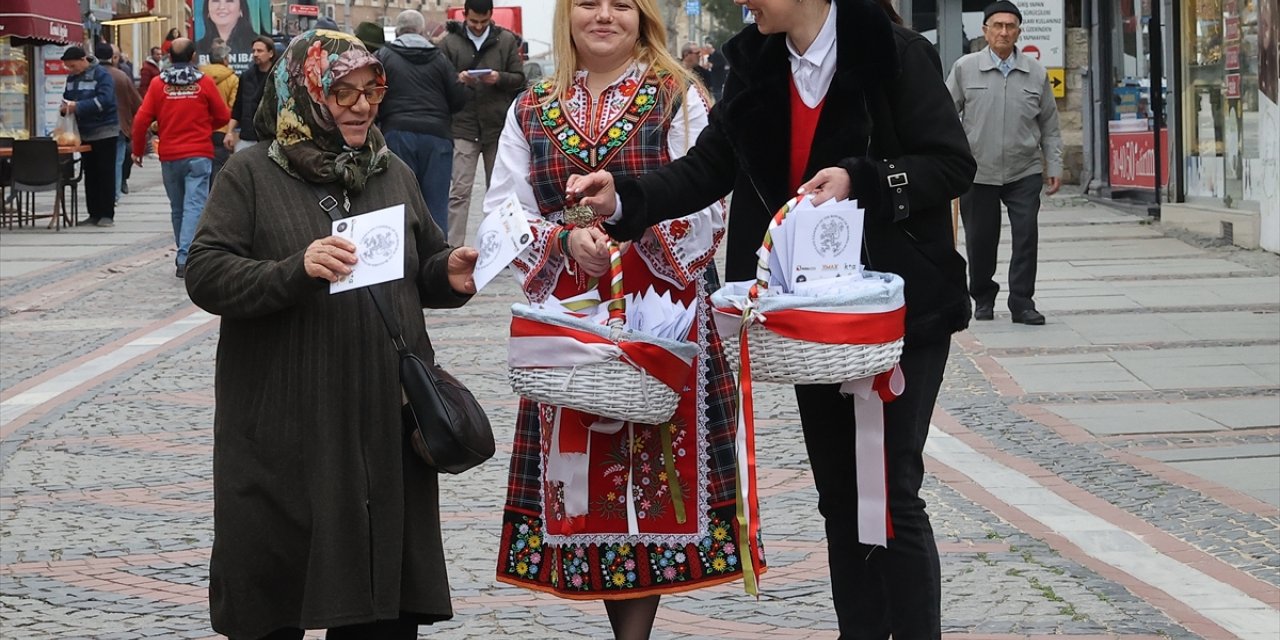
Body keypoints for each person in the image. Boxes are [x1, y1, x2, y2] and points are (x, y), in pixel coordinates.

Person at [566, 0, 976, 637]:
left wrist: (859, 178)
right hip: (804, 322)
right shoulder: (754, 63)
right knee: (841, 500)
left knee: (891, 492)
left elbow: (952, 164)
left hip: (896, 315)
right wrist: (624, 195)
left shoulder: (893, 52)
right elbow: (706, 169)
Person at [185, 29, 478, 640]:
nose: (360, 105)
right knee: (277, 580)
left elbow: (420, 266)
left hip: (379, 418)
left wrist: (447, 273)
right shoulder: (251, 175)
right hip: (284, 420)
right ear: (305, 92)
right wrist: (295, 269)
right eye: (340, 91)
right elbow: (207, 273)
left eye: (370, 91)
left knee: (380, 592)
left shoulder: (389, 168)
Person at [487, 1, 754, 638]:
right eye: (589, 3)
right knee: (594, 473)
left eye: (622, 5)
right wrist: (560, 243)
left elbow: (714, 197)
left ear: (643, 17)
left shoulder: (677, 96)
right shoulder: (530, 107)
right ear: (566, 15)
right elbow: (501, 210)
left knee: (657, 476)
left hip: (665, 314)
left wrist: (634, 240)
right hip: (573, 314)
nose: (605, 16)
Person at [946, 0, 1062, 326]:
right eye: (997, 25)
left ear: (1018, 31)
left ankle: (1023, 302)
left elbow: (1050, 126)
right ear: (985, 30)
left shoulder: (1036, 73)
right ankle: (982, 297)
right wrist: (949, 159)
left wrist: (1054, 166)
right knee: (981, 239)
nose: (1003, 32)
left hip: (1024, 169)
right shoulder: (965, 68)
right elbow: (943, 115)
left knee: (1026, 237)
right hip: (977, 170)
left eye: (1010, 26)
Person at [132, 38, 230, 279]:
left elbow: (141, 120)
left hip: (170, 154)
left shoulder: (158, 84)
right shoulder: (204, 82)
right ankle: (185, 257)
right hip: (198, 152)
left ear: (169, 57)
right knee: (194, 206)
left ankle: (183, 252)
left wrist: (136, 150)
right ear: (194, 56)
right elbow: (222, 115)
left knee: (178, 207)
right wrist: (206, 126)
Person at [439, 0, 525, 247]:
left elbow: (520, 78)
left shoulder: (506, 40)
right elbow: (441, 81)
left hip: (497, 127)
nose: (478, 27)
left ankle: (501, 247)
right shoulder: (448, 43)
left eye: (483, 22)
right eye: (473, 22)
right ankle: (452, 248)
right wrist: (459, 79)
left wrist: (499, 77)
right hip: (463, 126)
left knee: (500, 193)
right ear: (465, 16)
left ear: (491, 16)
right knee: (459, 192)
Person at [375, 10, 466, 234]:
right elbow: (458, 99)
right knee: (436, 205)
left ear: (397, 31)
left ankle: (404, 261)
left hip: (397, 135)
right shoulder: (440, 58)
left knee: (399, 202)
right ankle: (437, 262)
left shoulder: (384, 56)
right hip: (437, 137)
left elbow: (373, 95)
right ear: (422, 31)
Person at [60, 46, 119, 227]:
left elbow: (105, 100)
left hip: (104, 130)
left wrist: (77, 107)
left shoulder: (101, 75)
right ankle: (93, 213)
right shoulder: (71, 78)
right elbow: (68, 97)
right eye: (69, 67)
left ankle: (107, 214)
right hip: (84, 132)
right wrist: (65, 108)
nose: (72, 70)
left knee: (105, 173)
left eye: (73, 66)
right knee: (90, 174)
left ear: (83, 60)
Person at [96, 43, 142, 205]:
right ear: (113, 57)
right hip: (119, 126)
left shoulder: (92, 75)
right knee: (116, 162)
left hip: (94, 127)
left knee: (97, 163)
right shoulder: (121, 76)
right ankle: (114, 195)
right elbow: (138, 104)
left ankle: (99, 195)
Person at [225, 35, 276, 152]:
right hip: (248, 136)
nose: (255, 54)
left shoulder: (278, 77)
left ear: (271, 53)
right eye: (253, 51)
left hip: (271, 138)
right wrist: (229, 132)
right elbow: (238, 107)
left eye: (260, 51)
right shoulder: (246, 76)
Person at [199, 40, 239, 181]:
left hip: (201, 128)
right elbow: (233, 105)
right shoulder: (233, 79)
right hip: (222, 129)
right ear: (224, 60)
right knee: (218, 167)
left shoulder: (199, 78)